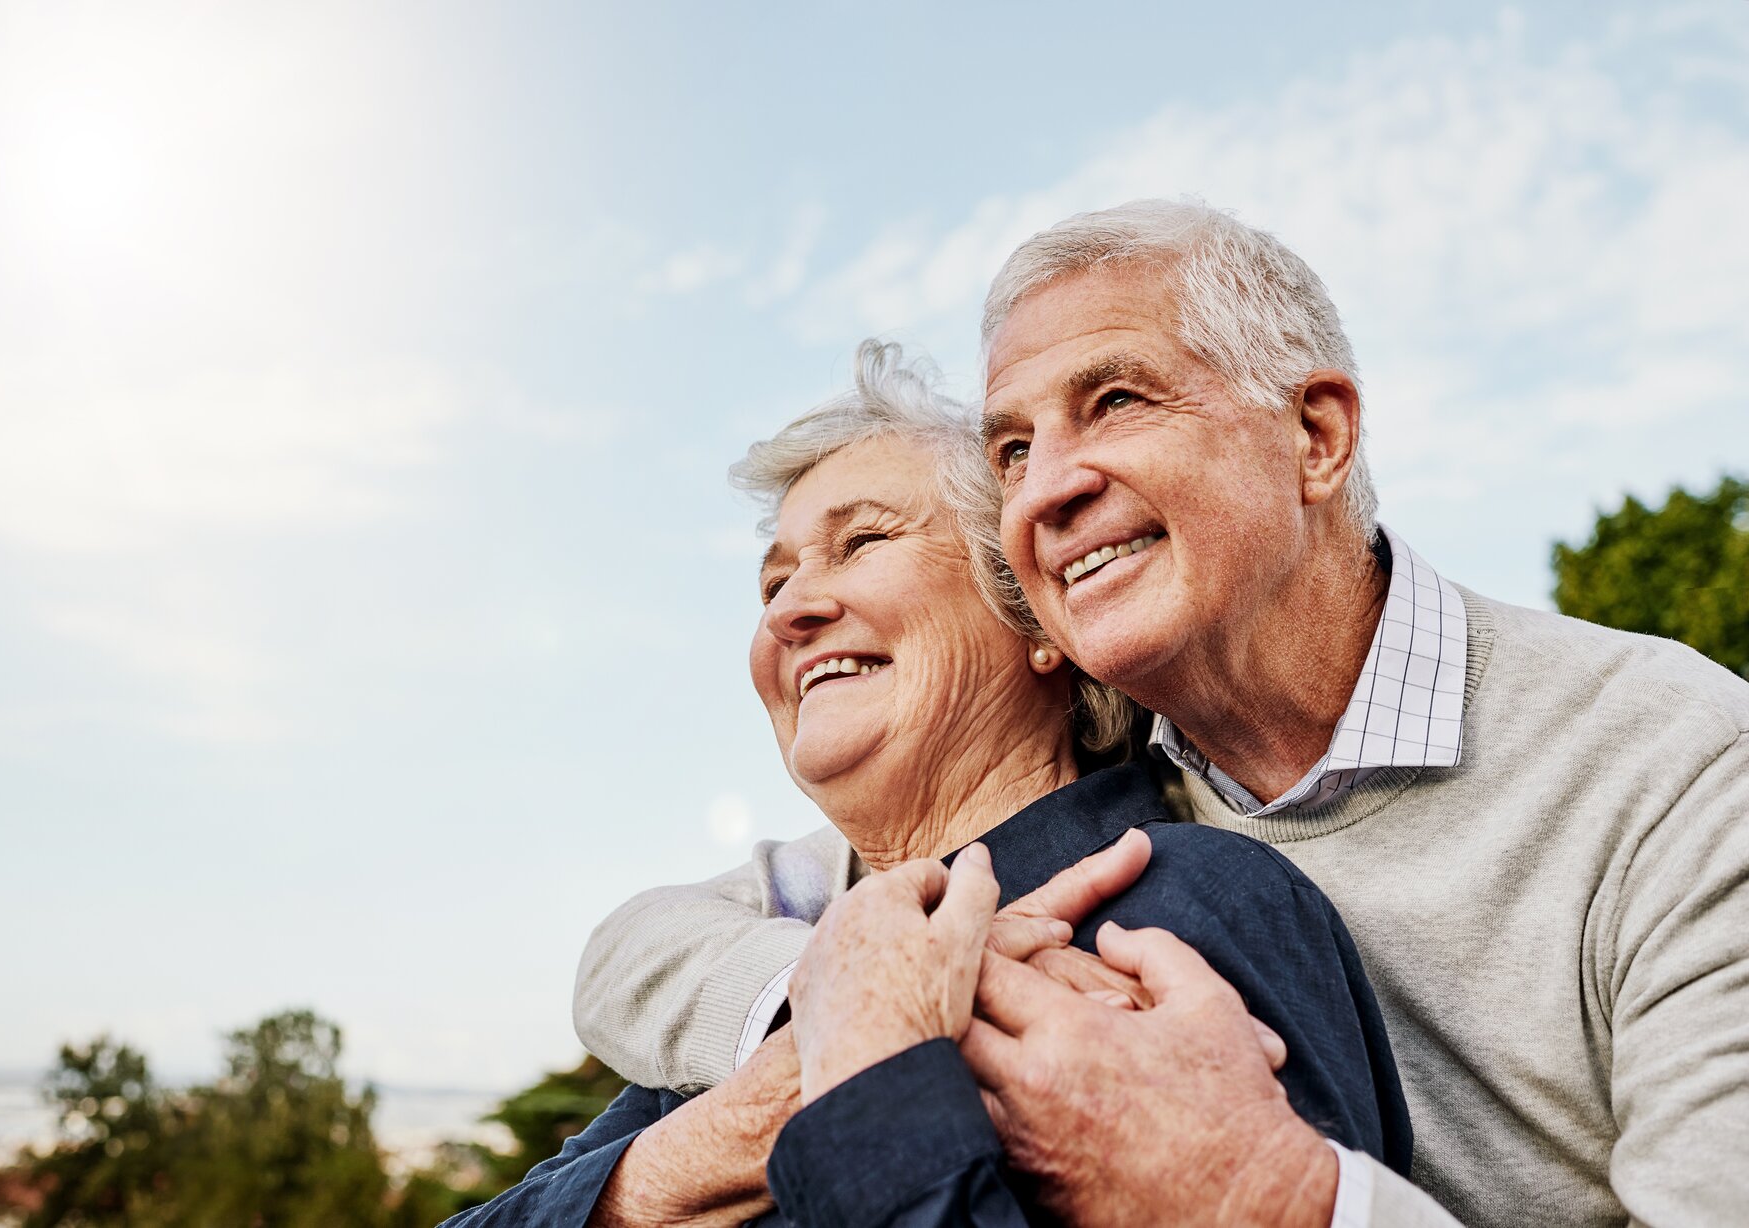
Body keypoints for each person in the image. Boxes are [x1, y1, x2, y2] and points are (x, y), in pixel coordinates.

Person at [575, 200, 1749, 1227]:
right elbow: (650, 944)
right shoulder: (1099, 788)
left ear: (1316, 434)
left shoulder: (1679, 767)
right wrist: (844, 1003)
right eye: (1016, 446)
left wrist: (1275, 1197)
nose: (1047, 487)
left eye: (1116, 399)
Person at [446, 342, 1409, 1226]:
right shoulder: (771, 999)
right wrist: (708, 1148)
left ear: (1037, 618)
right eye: (772, 585)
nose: (790, 612)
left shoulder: (1189, 913)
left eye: (861, 542)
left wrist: (874, 1075)